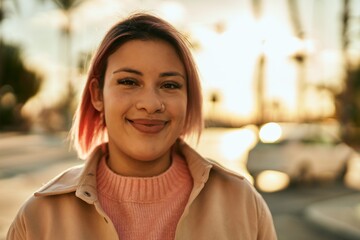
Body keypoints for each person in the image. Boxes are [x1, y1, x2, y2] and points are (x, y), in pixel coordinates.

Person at [7, 13, 277, 240]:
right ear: (97, 95)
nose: (150, 103)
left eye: (169, 85)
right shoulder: (38, 218)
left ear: (188, 98)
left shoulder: (243, 204)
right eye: (129, 82)